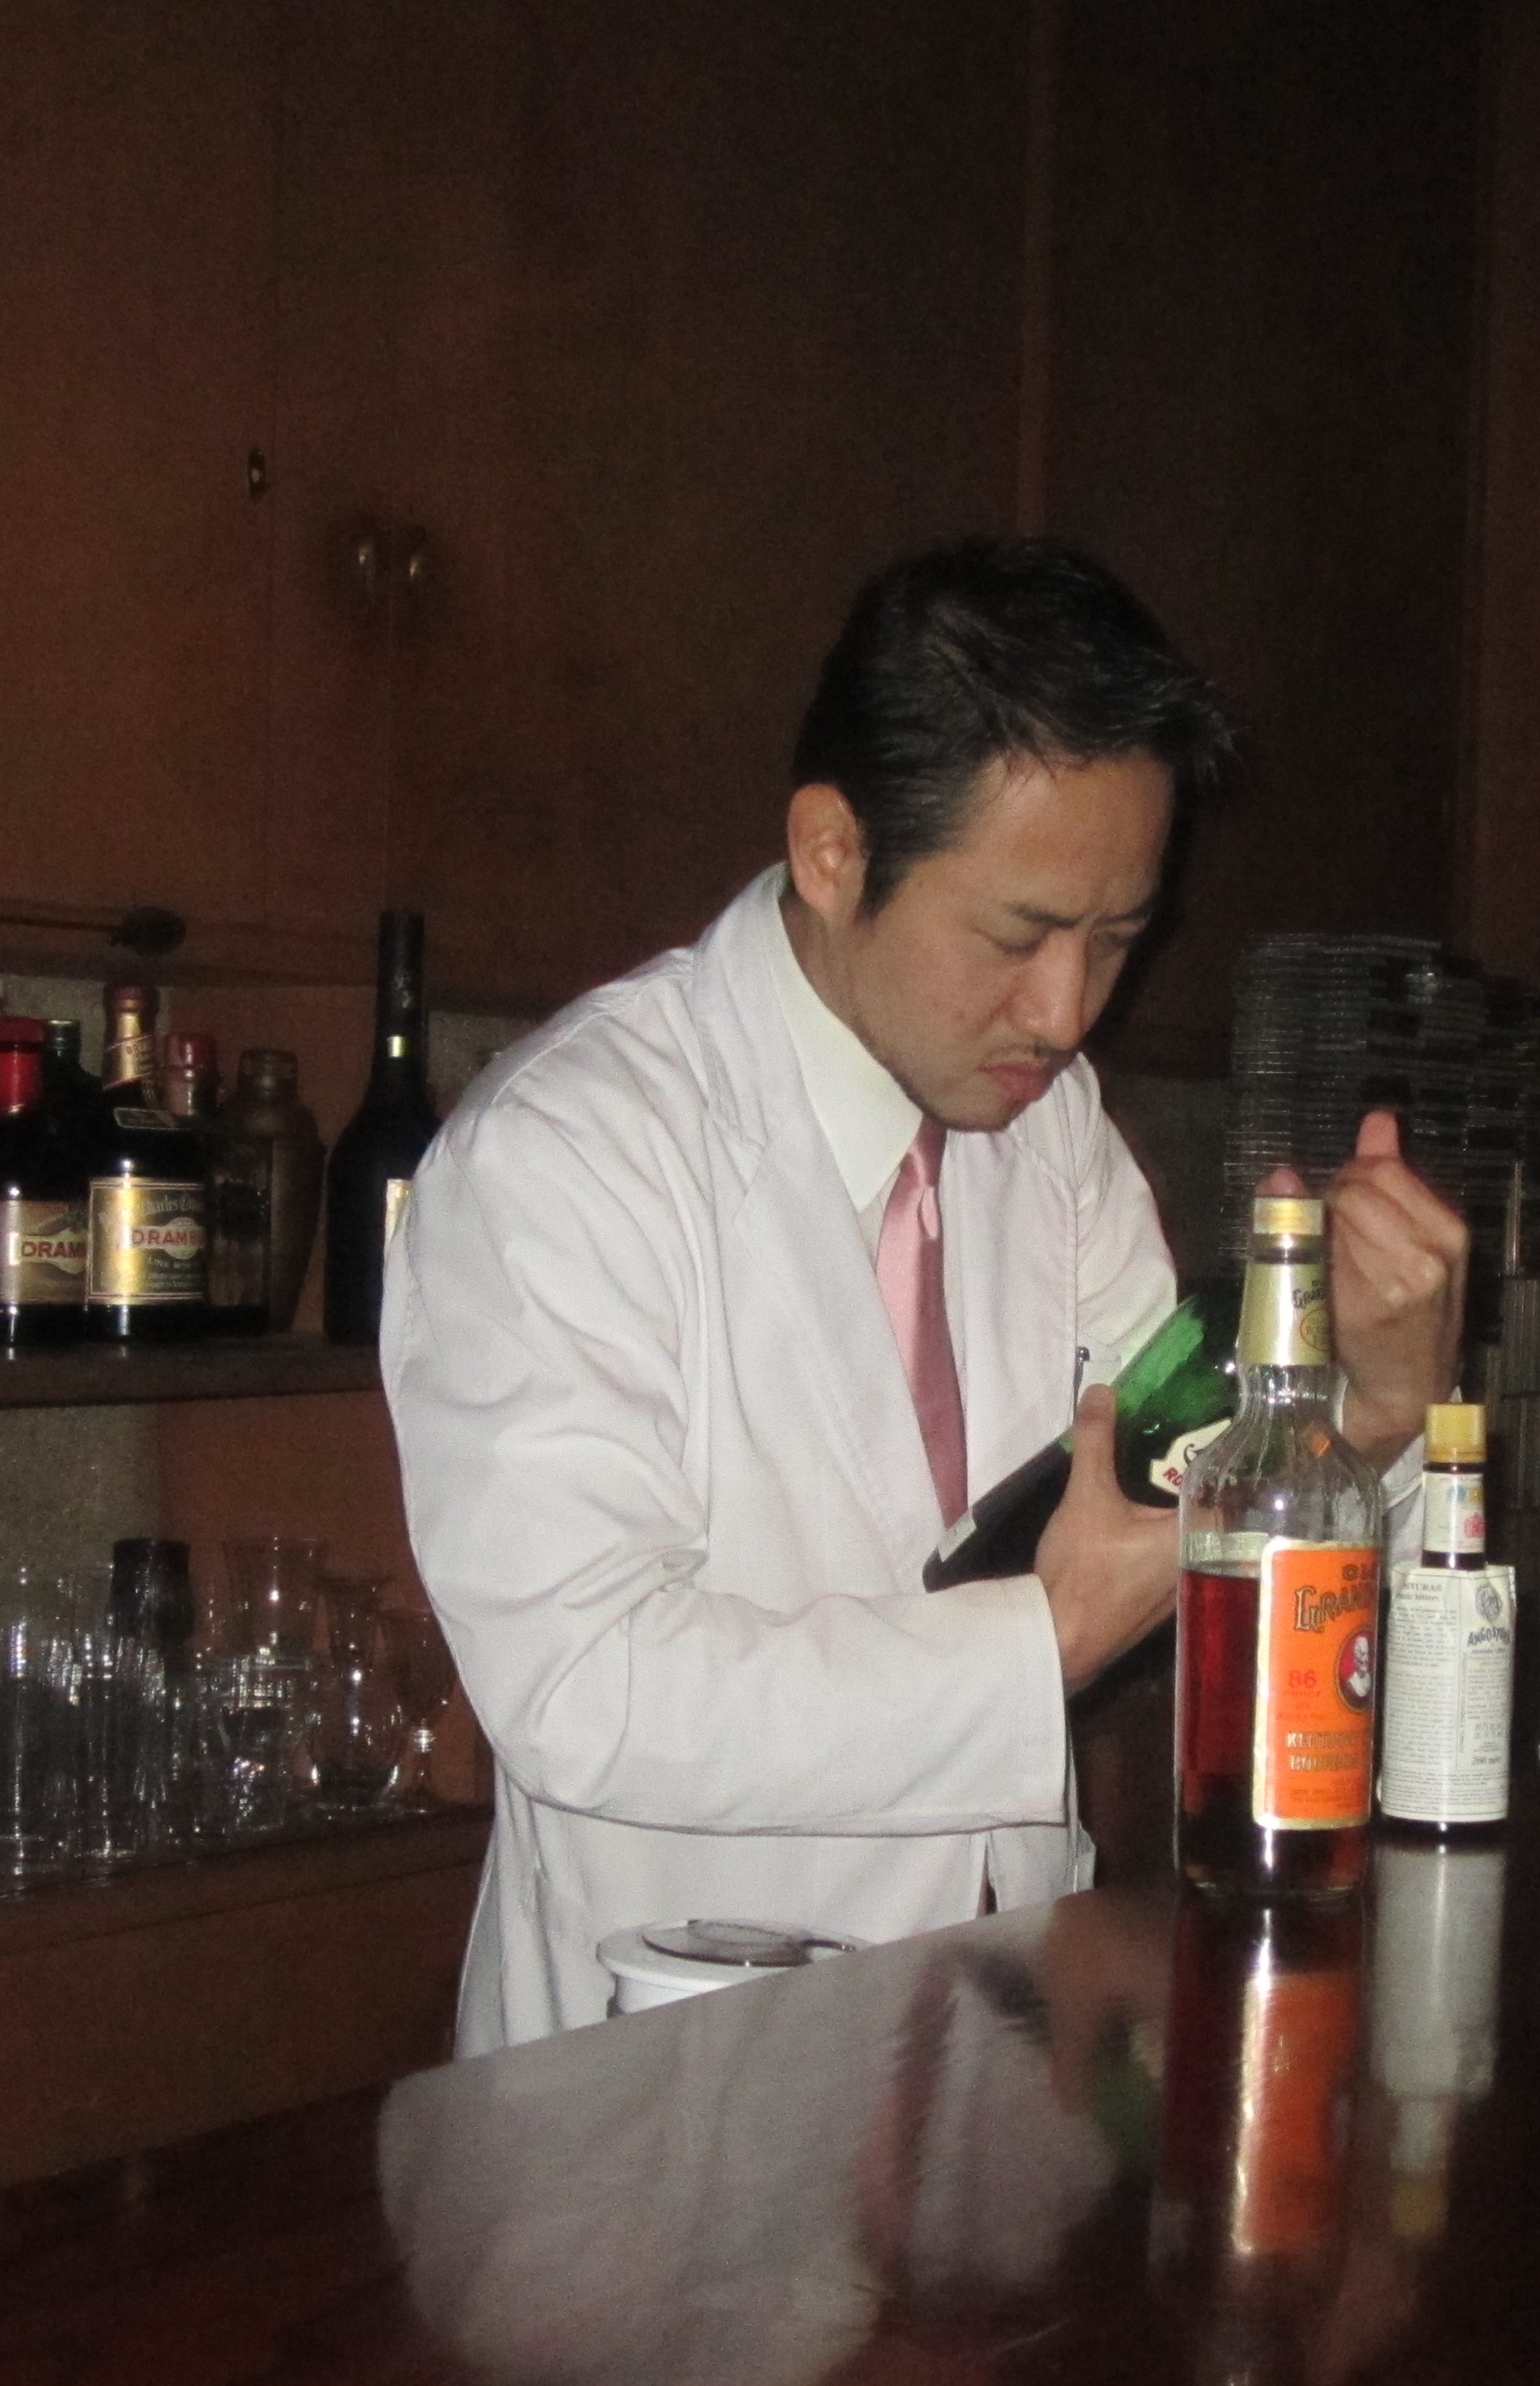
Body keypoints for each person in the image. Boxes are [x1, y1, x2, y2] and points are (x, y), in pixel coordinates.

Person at [384, 538, 1468, 2049]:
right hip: (675, 2074)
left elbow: (1209, 1503)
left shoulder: (1051, 1129)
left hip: (1004, 2058)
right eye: (1020, 936)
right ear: (835, 853)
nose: (1067, 1012)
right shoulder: (564, 1153)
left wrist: (1377, 1413)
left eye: (1116, 941)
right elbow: (584, 1687)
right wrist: (1047, 1637)